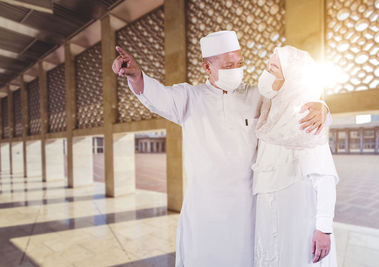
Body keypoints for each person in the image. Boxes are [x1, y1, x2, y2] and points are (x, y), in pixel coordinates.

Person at [111, 31, 330, 267]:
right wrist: (135, 75)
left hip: (248, 210)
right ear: (207, 67)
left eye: (239, 63)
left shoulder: (257, 95)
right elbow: (157, 95)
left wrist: (322, 106)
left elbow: (292, 101)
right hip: (205, 210)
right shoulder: (190, 97)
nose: (236, 69)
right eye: (228, 65)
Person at [253, 46, 339, 267]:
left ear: (293, 77)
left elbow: (325, 178)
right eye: (267, 67)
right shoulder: (268, 115)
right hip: (267, 215)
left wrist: (324, 228)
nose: (267, 74)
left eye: (274, 68)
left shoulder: (307, 117)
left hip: (299, 218)